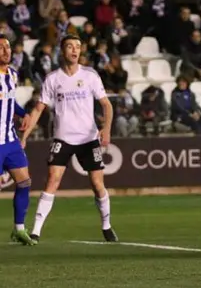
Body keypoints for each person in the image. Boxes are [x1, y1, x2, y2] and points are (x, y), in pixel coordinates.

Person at [20, 35, 117, 244]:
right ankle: (36, 231)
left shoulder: (90, 76)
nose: (74, 50)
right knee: (52, 180)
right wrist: (25, 136)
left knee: (97, 183)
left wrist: (106, 129)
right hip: (63, 137)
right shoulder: (53, 79)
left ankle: (107, 226)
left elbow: (107, 105)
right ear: (62, 51)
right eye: (70, 47)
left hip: (88, 138)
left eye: (78, 47)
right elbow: (39, 109)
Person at [0, 36, 36, 245]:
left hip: (11, 140)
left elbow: (11, 102)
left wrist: (24, 114)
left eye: (8, 47)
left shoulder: (13, 74)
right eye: (1, 48)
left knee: (24, 182)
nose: (6, 51)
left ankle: (19, 229)